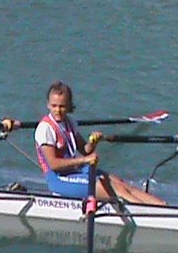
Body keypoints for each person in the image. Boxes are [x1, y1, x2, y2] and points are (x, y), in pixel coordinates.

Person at [34, 81, 166, 205]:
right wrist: (85, 160)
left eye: (62, 106)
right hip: (58, 180)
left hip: (74, 172)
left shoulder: (69, 122)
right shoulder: (45, 128)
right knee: (116, 189)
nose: (57, 110)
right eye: (54, 106)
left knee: (119, 183)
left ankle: (163, 206)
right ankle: (147, 212)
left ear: (69, 106)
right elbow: (54, 165)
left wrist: (93, 142)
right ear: (48, 105)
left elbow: (85, 150)